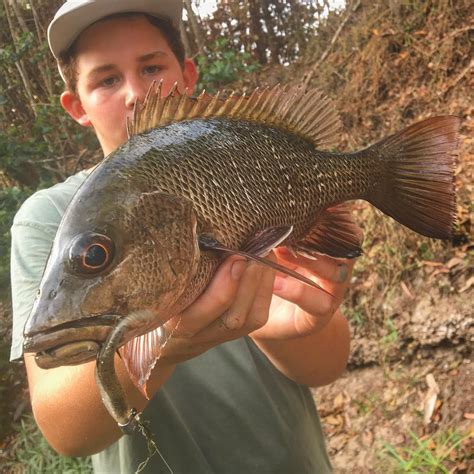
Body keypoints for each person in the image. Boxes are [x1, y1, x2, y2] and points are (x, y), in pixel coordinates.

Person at [10, 1, 355, 472]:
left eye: (151, 66)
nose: (134, 92)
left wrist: (295, 328)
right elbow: (65, 431)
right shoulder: (48, 218)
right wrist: (165, 347)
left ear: (187, 76)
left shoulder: (244, 166)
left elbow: (326, 366)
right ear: (77, 105)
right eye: (106, 79)